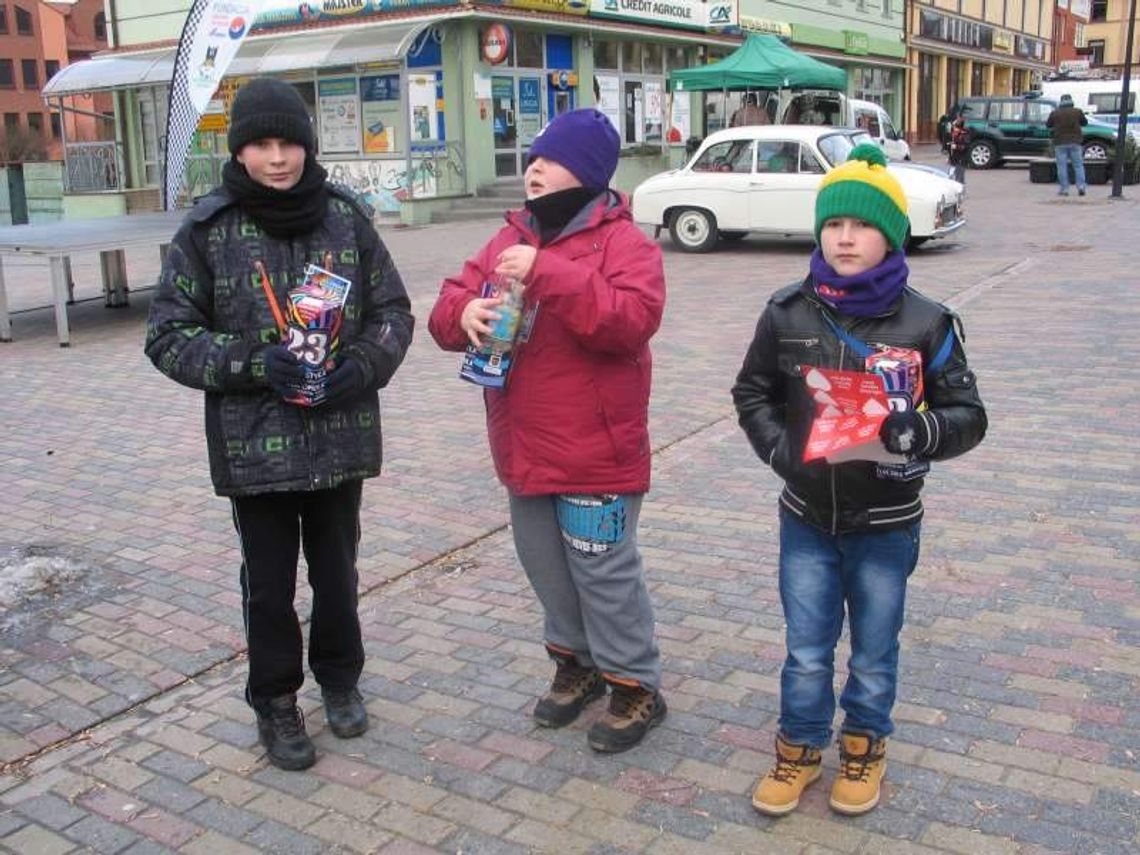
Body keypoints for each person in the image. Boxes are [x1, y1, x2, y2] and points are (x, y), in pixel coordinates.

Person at [144, 78, 414, 771]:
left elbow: (393, 311)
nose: (277, 157)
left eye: (288, 141)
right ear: (240, 150)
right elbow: (168, 337)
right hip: (254, 449)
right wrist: (256, 362)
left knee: (338, 571)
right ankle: (274, 700)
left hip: (338, 436)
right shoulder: (207, 230)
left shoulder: (345, 218)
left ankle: (341, 678)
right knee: (268, 585)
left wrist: (363, 365)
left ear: (307, 144)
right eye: (261, 144)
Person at [731, 144, 987, 817]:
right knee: (807, 648)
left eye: (863, 224)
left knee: (874, 649)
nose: (845, 237)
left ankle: (866, 743)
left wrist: (920, 431)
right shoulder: (787, 311)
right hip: (806, 516)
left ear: (892, 234)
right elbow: (751, 391)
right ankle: (799, 746)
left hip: (886, 523)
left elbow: (970, 414)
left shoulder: (927, 321)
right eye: (834, 223)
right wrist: (782, 450)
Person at [428, 109, 667, 753]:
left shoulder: (626, 244)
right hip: (523, 447)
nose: (532, 167)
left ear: (587, 172)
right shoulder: (507, 236)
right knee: (547, 569)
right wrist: (465, 312)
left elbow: (629, 322)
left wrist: (547, 272)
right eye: (531, 156)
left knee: (604, 573)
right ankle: (577, 665)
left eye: (549, 158)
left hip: (597, 452)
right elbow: (447, 307)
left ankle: (635, 683)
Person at [1047, 93, 1088, 196]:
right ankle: (1081, 187)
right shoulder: (1077, 112)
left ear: (1061, 102)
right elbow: (1084, 123)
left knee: (1061, 167)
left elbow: (1048, 125)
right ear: (1071, 101)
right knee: (1078, 166)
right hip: (1075, 142)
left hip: (1060, 142)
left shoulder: (1055, 113)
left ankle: (1064, 189)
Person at [948, 115, 969, 184]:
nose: (954, 129)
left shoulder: (964, 134)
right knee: (954, 174)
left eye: (955, 128)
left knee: (959, 177)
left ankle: (960, 187)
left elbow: (965, 146)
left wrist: (956, 146)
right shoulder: (955, 134)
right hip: (955, 158)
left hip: (961, 159)